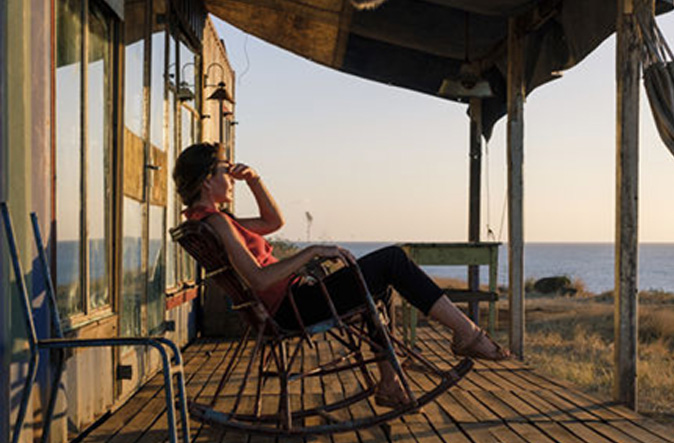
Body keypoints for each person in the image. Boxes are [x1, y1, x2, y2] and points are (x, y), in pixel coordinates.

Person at [173, 142, 509, 407]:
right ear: (206, 179)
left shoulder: (213, 221)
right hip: (292, 307)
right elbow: (259, 280)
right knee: (392, 260)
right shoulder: (215, 223)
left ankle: (390, 383)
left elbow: (273, 224)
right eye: (224, 171)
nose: (231, 177)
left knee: (378, 289)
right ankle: (467, 333)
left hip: (294, 299)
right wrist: (312, 251)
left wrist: (255, 181)